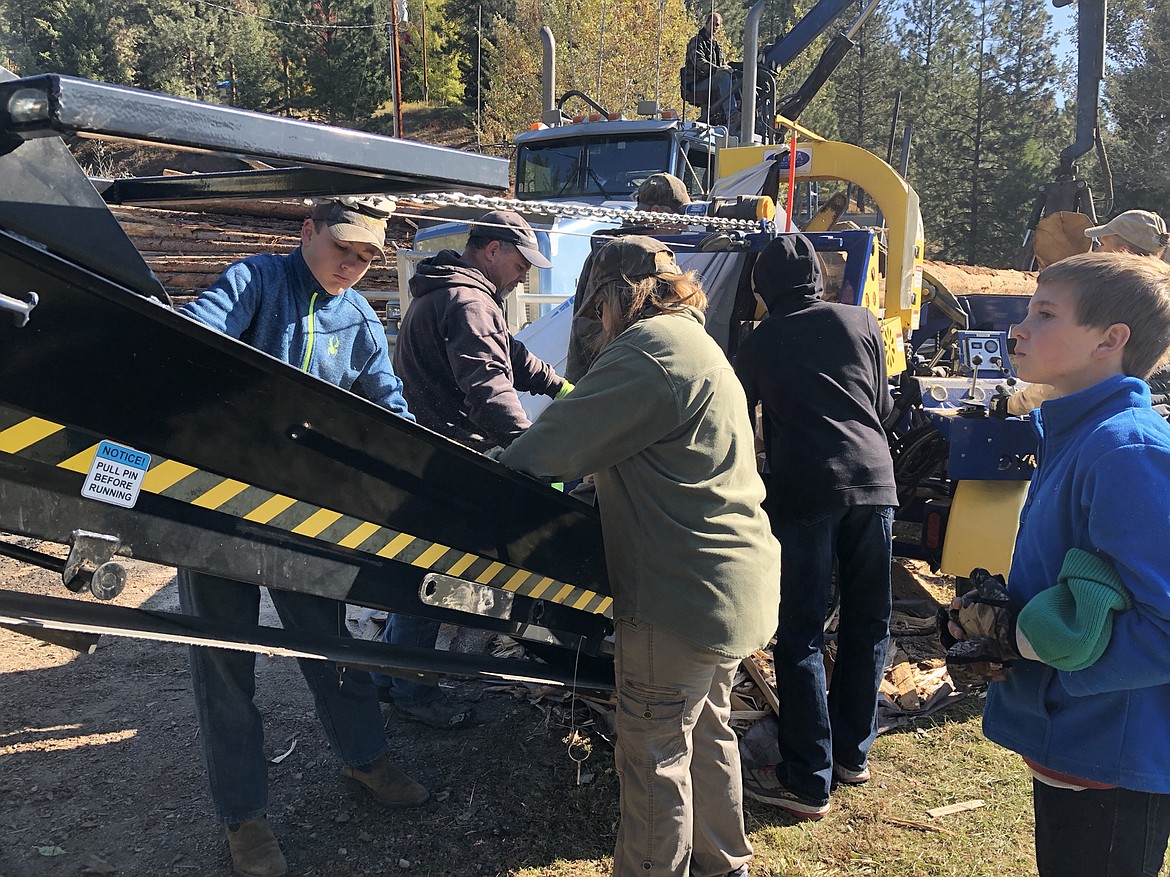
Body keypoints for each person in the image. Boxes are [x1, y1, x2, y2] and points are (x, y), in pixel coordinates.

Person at [496, 236, 780, 877]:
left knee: (652, 755)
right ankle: (724, 861)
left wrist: (466, 484)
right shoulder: (693, 342)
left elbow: (546, 452)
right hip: (731, 584)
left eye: (598, 311)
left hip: (678, 592)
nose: (597, 326)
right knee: (707, 732)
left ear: (619, 297)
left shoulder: (647, 353)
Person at [179, 198, 428, 877]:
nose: (353, 264)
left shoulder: (359, 322)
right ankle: (244, 818)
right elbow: (193, 345)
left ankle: (365, 757)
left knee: (332, 645)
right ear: (307, 231)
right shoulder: (253, 282)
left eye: (368, 256)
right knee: (225, 664)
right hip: (215, 510)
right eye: (344, 246)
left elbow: (390, 410)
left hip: (309, 522)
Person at [945, 252, 1170, 876]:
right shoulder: (1078, 433)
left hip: (1110, 747)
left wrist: (1032, 646)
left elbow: (1166, 626)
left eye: (1044, 313)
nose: (1018, 328)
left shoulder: (1127, 450)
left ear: (1111, 339)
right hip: (1077, 743)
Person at [374, 209, 571, 727]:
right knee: (433, 577)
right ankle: (414, 692)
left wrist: (560, 387)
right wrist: (537, 454)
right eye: (521, 261)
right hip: (455, 457)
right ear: (492, 250)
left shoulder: (450, 291)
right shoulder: (468, 301)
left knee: (413, 568)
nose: (526, 274)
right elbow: (489, 391)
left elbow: (511, 356)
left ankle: (389, 675)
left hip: (428, 450)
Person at [734, 234, 897, 821]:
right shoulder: (862, 321)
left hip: (806, 490)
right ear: (819, 278)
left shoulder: (759, 342)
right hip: (875, 481)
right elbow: (882, 405)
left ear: (761, 287)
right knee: (867, 620)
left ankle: (808, 779)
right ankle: (852, 754)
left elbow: (735, 418)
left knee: (800, 630)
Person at [999, 208, 1170, 416]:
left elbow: (1062, 378)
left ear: (1123, 252)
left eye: (1102, 244)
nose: (1096, 251)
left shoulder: (1106, 302)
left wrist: (1009, 405)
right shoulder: (1160, 304)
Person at [566, 172, 692, 382]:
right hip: (607, 379)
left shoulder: (624, 251)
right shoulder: (621, 256)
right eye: (679, 220)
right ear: (656, 214)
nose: (684, 228)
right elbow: (592, 330)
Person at [684, 13, 735, 125]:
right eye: (712, 24)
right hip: (696, 85)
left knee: (734, 79)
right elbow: (699, 62)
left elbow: (722, 65)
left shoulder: (717, 46)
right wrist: (718, 70)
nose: (715, 27)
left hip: (711, 82)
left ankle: (738, 113)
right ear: (706, 23)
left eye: (717, 25)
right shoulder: (697, 41)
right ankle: (732, 114)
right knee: (723, 76)